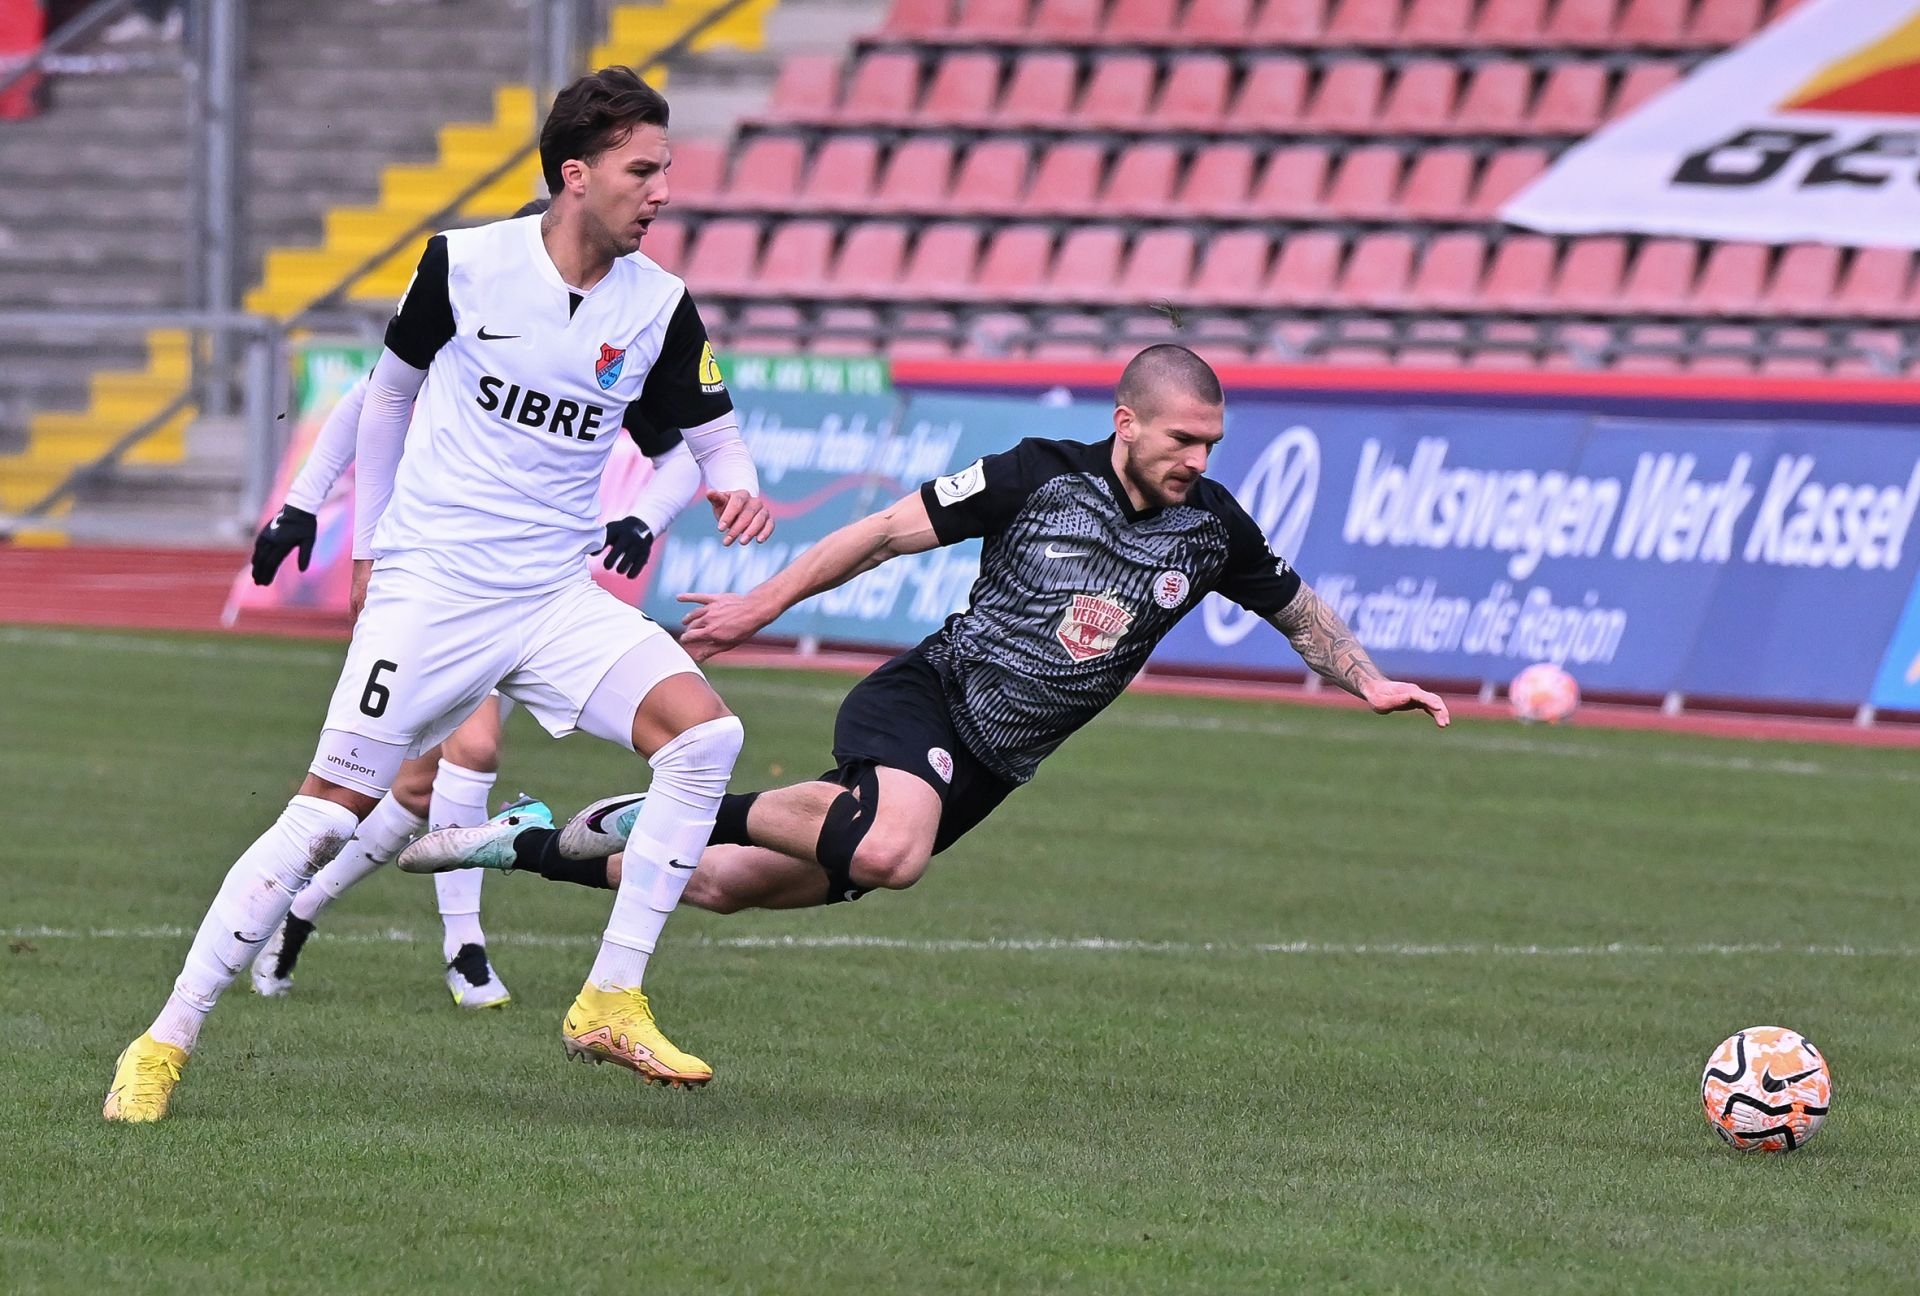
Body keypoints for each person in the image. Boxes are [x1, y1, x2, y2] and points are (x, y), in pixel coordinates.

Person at [103, 66, 770, 1123]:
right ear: (576, 174)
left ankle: (610, 995)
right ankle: (163, 1040)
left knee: (704, 739)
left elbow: (711, 430)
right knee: (321, 816)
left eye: (667, 172)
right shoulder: (464, 264)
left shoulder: (659, 305)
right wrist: (365, 547)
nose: (662, 191)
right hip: (437, 586)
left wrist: (733, 483)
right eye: (644, 171)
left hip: (553, 594)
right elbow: (388, 397)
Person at [399, 345, 1449, 931]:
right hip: (931, 701)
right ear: (1127, 421)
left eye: (1211, 442)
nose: (1198, 457)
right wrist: (764, 605)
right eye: (1184, 437)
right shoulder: (1037, 473)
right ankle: (666, 806)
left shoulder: (1210, 528)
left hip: (992, 767)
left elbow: (1298, 610)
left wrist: (1368, 679)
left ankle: (527, 841)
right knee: (892, 852)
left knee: (711, 884)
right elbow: (885, 532)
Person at [245, 356, 704, 1008]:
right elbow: (363, 401)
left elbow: (682, 455)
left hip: (539, 592)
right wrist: (302, 507)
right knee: (474, 751)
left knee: (413, 789)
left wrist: (642, 520)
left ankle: (300, 910)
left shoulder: (599, 345)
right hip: (439, 587)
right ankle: (466, 952)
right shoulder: (479, 316)